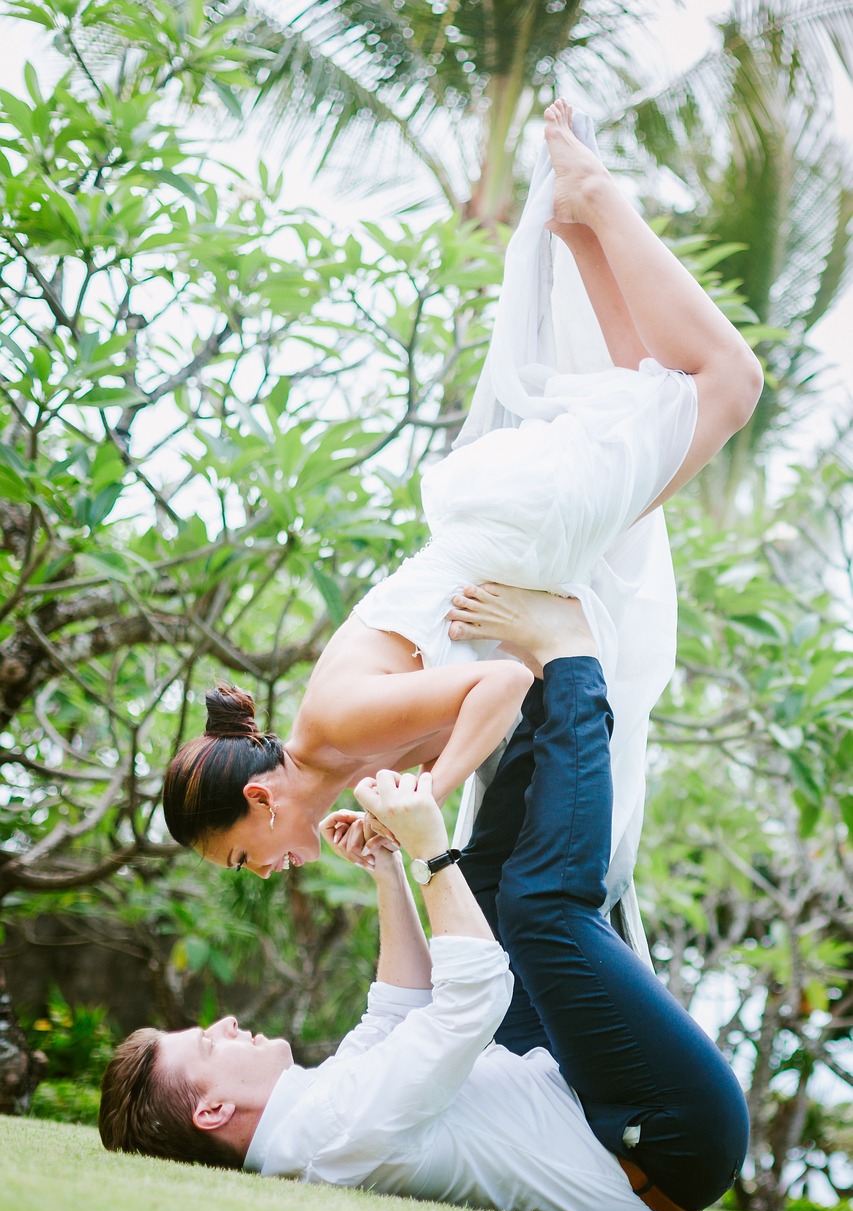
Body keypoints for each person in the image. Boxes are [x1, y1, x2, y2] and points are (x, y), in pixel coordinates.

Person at [161, 100, 763, 893]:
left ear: (258, 797)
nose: (268, 872)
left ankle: (592, 199)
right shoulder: (348, 756)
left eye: (244, 854)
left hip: (519, 537)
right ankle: (576, 221)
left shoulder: (331, 726)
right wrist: (389, 824)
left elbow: (503, 684)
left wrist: (427, 799)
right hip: (526, 554)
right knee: (642, 398)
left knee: (727, 383)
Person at [100, 593, 748, 1211]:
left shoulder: (309, 1114)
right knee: (538, 911)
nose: (229, 1023)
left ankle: (547, 688)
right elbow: (471, 1003)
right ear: (212, 1110)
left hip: (570, 1094)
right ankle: (572, 659)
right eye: (210, 1043)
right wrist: (428, 852)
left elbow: (397, 1010)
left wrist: (387, 864)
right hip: (662, 1145)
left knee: (489, 889)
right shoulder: (328, 1132)